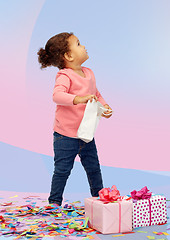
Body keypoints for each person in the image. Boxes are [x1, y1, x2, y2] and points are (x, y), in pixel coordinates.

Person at [37, 32, 112, 206]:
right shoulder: (65, 75)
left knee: (94, 168)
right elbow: (57, 96)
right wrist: (77, 99)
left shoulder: (89, 73)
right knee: (62, 170)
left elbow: (97, 95)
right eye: (78, 44)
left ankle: (100, 199)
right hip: (65, 135)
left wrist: (105, 107)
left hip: (86, 133)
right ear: (68, 56)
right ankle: (54, 202)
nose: (83, 46)